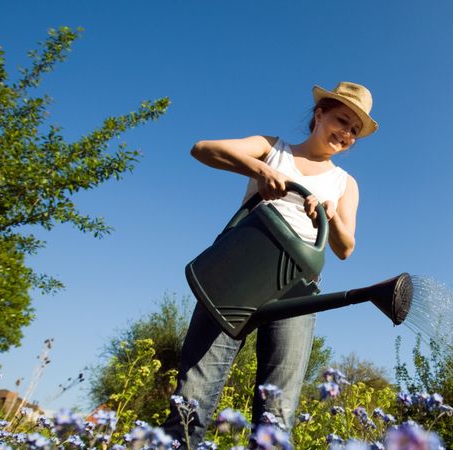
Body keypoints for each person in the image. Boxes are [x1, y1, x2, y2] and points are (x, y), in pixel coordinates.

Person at [161, 82, 378, 445]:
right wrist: (260, 170)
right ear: (320, 114)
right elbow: (203, 149)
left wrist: (329, 213)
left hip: (296, 289)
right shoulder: (271, 147)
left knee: (276, 411)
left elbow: (346, 248)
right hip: (238, 272)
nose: (347, 134)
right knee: (193, 396)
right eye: (343, 120)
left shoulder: (345, 183)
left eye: (355, 130)